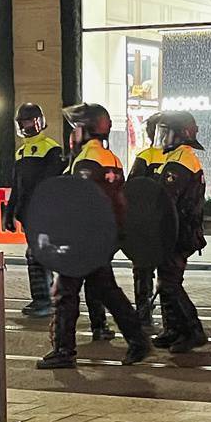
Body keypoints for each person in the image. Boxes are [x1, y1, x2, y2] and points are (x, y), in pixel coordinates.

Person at [38, 102, 150, 370]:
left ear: (84, 130)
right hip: (102, 238)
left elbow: (78, 204)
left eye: (74, 128)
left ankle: (64, 350)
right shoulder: (111, 158)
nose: (71, 134)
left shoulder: (85, 161)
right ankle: (138, 340)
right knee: (108, 292)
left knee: (66, 293)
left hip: (82, 240)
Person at [147, 110, 210, 354]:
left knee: (170, 283)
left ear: (180, 135)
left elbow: (166, 197)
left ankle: (193, 331)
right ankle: (173, 329)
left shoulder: (181, 160)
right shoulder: (177, 156)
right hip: (175, 230)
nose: (162, 137)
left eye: (166, 132)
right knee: (166, 280)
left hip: (179, 232)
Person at [6, 102, 64, 318]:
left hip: (45, 213)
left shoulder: (52, 149)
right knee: (35, 256)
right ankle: (41, 298)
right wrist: (9, 212)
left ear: (38, 122)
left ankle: (46, 300)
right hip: (28, 215)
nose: (25, 125)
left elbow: (49, 184)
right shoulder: (21, 152)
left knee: (37, 255)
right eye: (22, 122)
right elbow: (17, 186)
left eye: (28, 121)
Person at [128, 112, 167, 331]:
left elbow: (132, 188)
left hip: (146, 225)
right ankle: (169, 318)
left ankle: (143, 312)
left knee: (142, 272)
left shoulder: (146, 157)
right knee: (167, 275)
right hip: (164, 226)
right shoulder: (177, 155)